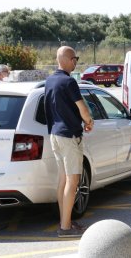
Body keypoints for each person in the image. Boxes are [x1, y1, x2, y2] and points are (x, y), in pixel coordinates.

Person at [44, 46, 94, 238]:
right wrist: (88, 122)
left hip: (55, 135)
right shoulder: (69, 81)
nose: (76, 62)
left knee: (63, 180)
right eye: (74, 58)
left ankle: (65, 221)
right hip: (69, 136)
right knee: (73, 181)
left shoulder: (49, 81)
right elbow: (82, 108)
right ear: (64, 59)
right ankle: (65, 228)